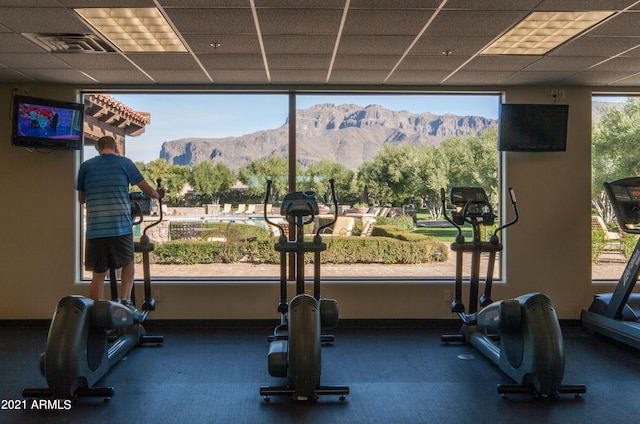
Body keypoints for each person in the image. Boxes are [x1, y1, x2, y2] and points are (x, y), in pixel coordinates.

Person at [76, 136, 164, 314]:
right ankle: (125, 302)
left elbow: (81, 199)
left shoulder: (85, 166)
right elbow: (146, 188)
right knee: (128, 262)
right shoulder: (125, 163)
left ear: (98, 148)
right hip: (120, 226)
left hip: (95, 229)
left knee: (98, 273)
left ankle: (96, 313)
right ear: (115, 147)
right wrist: (157, 194)